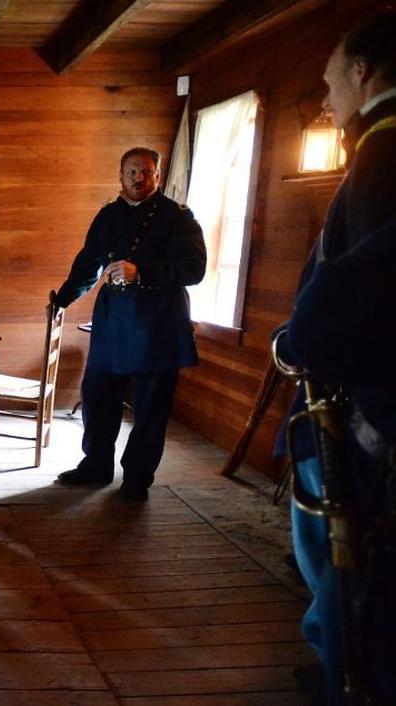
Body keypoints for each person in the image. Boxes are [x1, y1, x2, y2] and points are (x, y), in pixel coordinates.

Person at [274, 12, 396, 704]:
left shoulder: (385, 155)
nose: (326, 101)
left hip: (361, 413)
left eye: (330, 81)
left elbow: (364, 284)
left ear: (362, 72)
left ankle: (340, 680)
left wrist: (297, 340)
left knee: (347, 574)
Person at [51, 146, 206, 502]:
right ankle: (96, 465)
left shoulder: (178, 217)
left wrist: (144, 272)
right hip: (114, 322)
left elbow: (194, 268)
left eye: (147, 172)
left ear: (158, 176)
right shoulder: (107, 216)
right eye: (133, 172)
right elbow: (88, 263)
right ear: (121, 176)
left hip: (159, 325)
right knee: (97, 396)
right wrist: (62, 299)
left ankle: (137, 478)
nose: (139, 178)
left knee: (151, 407)